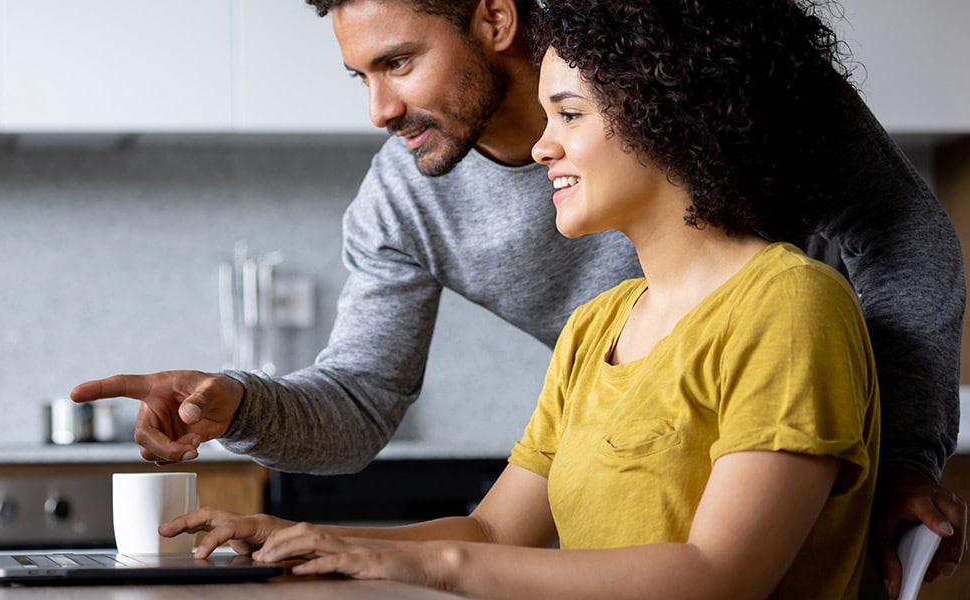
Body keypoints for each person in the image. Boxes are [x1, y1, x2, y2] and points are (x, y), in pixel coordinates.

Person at [69, 0, 966, 594]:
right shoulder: (586, 320)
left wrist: (907, 462)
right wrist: (284, 508)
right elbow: (437, 470)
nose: (379, 110)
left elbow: (908, 248)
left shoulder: (698, 94)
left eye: (399, 62)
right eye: (361, 77)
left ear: (495, 18)